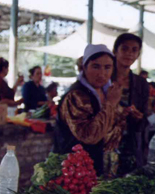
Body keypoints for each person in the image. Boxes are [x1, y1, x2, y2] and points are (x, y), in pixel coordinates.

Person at [53, 44, 129, 176]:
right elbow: (89, 136)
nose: (102, 74)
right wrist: (110, 104)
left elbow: (110, 131)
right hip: (74, 171)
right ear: (84, 67)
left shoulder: (106, 91)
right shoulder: (76, 95)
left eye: (107, 67)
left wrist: (122, 114)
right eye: (95, 66)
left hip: (97, 166)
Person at [111, 33, 147, 172]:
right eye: (124, 49)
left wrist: (139, 117)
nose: (129, 54)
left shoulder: (141, 83)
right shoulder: (104, 78)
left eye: (134, 50)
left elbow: (144, 116)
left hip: (129, 142)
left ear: (138, 55)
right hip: (104, 140)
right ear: (115, 51)